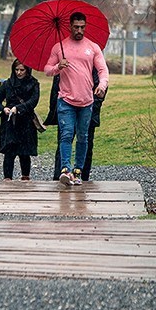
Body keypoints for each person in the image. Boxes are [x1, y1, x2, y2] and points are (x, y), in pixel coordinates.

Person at [44, 11, 109, 186]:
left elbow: (103, 70)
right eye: (76, 27)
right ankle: (65, 170)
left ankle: (78, 171)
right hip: (65, 100)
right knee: (66, 135)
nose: (79, 30)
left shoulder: (93, 47)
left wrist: (101, 86)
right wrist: (58, 66)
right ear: (70, 26)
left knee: (82, 137)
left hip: (87, 101)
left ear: (85, 27)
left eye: (82, 27)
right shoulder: (59, 47)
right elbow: (47, 69)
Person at [45, 69, 107, 182]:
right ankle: (60, 175)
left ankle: (82, 175)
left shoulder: (93, 62)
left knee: (85, 141)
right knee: (64, 140)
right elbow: (56, 88)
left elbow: (101, 85)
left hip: (87, 109)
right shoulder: (64, 62)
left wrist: (94, 105)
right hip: (66, 108)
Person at [0, 59, 40, 181]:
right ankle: (7, 179)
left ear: (27, 70)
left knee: (25, 153)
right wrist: (3, 108)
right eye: (16, 70)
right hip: (9, 123)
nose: (19, 72)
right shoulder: (8, 84)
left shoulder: (34, 84)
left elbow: (33, 101)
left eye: (22, 70)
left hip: (26, 122)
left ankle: (25, 178)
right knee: (9, 153)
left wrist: (18, 108)